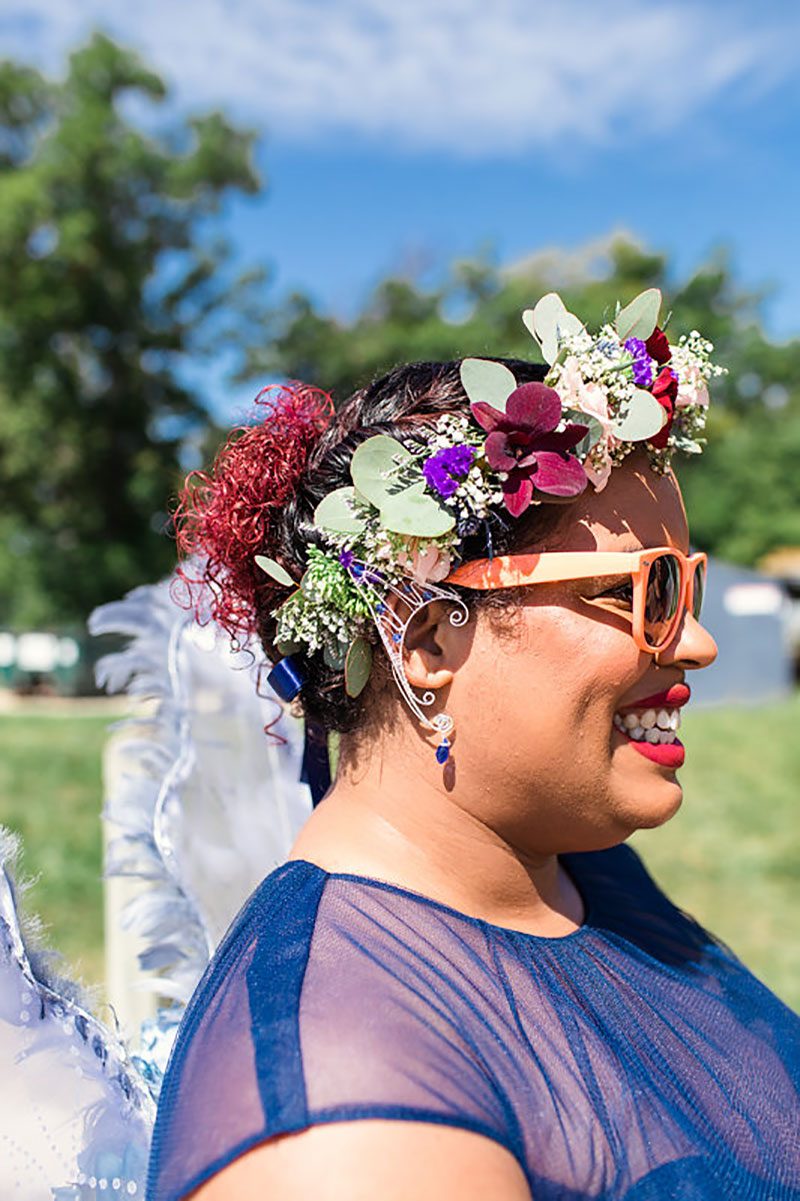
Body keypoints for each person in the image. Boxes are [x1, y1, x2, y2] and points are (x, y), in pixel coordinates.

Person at [146, 293, 800, 1200]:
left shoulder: (575, 876)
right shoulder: (349, 1112)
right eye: (642, 590)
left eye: (687, 586)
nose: (694, 641)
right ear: (425, 641)